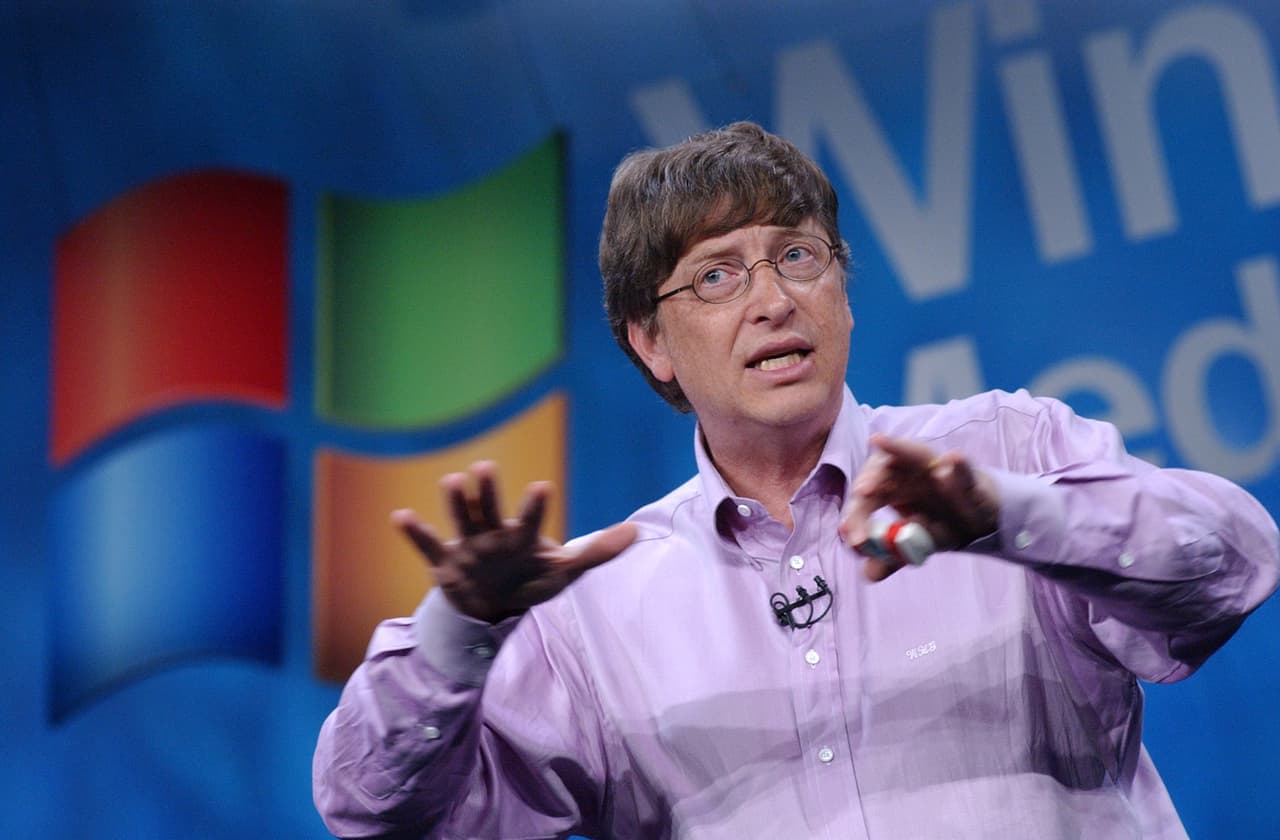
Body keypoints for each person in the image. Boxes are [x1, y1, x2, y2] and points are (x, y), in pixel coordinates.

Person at [313, 122, 1279, 839]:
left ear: (843, 294)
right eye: (717, 276)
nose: (774, 299)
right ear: (651, 343)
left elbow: (1235, 564)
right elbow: (372, 811)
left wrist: (1014, 517)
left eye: (797, 256)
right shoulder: (590, 618)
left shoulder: (1001, 450)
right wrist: (459, 631)